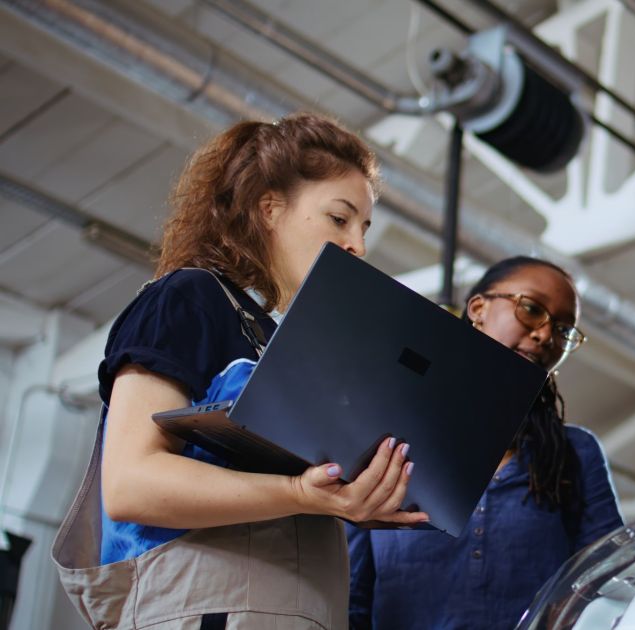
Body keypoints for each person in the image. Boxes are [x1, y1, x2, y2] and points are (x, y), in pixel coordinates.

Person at [52, 112, 427, 630]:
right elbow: (131, 483)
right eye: (339, 219)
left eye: (363, 227)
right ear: (270, 209)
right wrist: (299, 494)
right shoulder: (189, 298)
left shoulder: (287, 346)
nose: (358, 246)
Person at [347, 257, 624, 630]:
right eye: (531, 309)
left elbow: (608, 586)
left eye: (562, 330)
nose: (545, 334)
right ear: (478, 308)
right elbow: (352, 600)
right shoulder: (388, 443)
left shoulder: (573, 453)